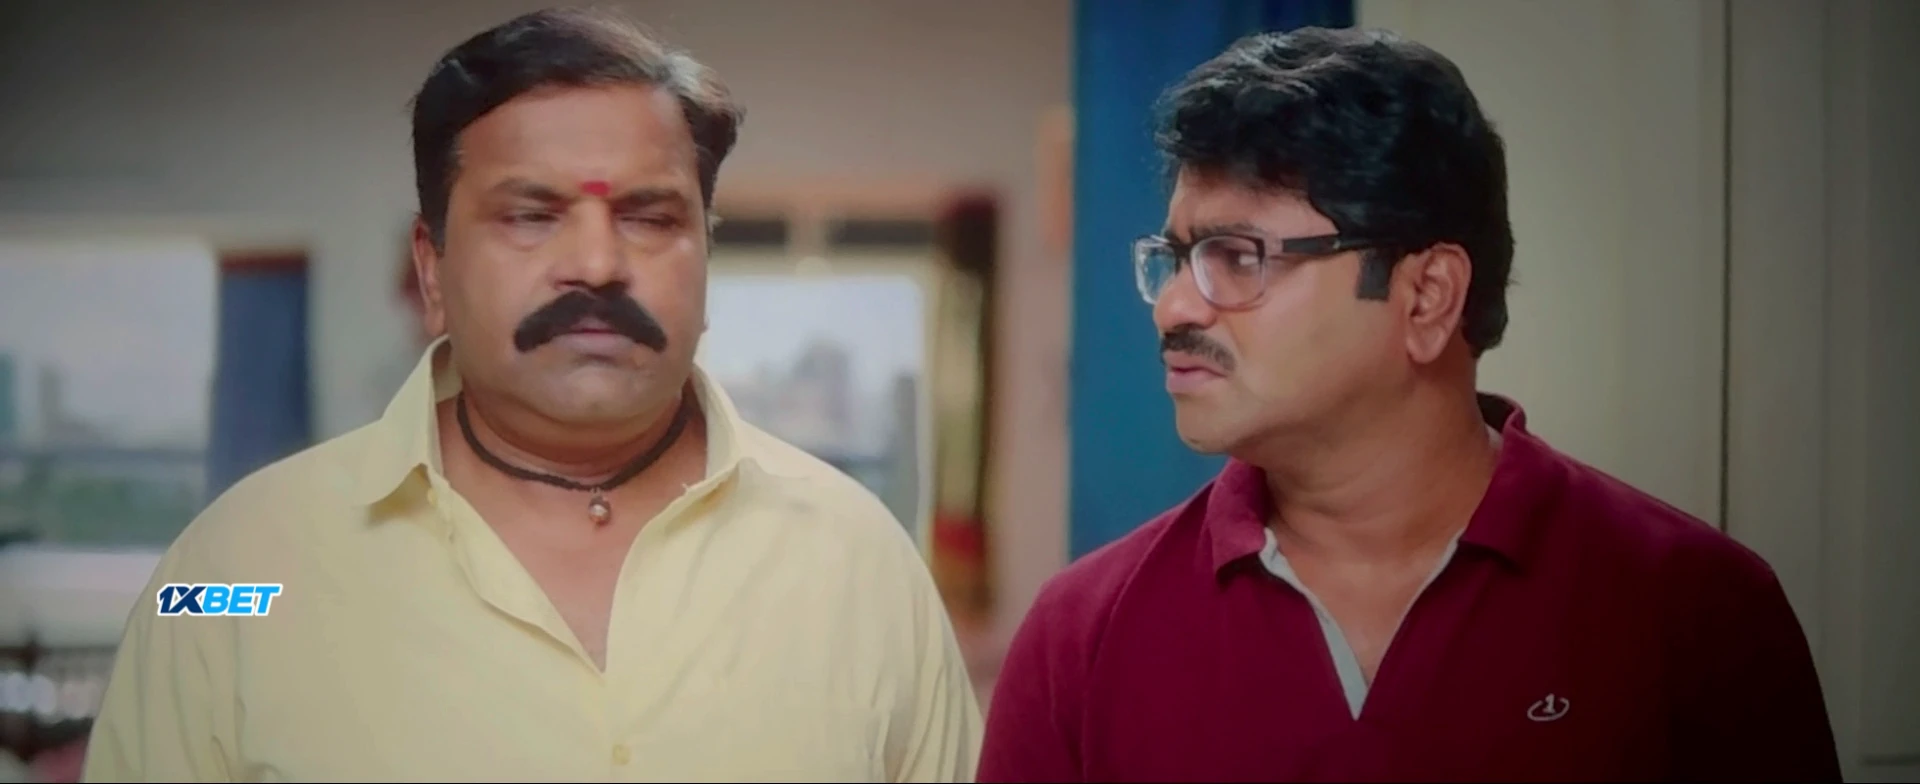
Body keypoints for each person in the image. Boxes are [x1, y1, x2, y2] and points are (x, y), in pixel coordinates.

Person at [84, 8, 979, 782]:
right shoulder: (230, 578)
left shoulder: (860, 567)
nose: (596, 263)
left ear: (706, 261)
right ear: (431, 270)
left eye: (650, 216)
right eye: (530, 215)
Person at [978, 27, 1840, 783]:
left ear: (1427, 296)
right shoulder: (1080, 636)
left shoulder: (1697, 612)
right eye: (1173, 260)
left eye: (1237, 257)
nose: (1173, 308)